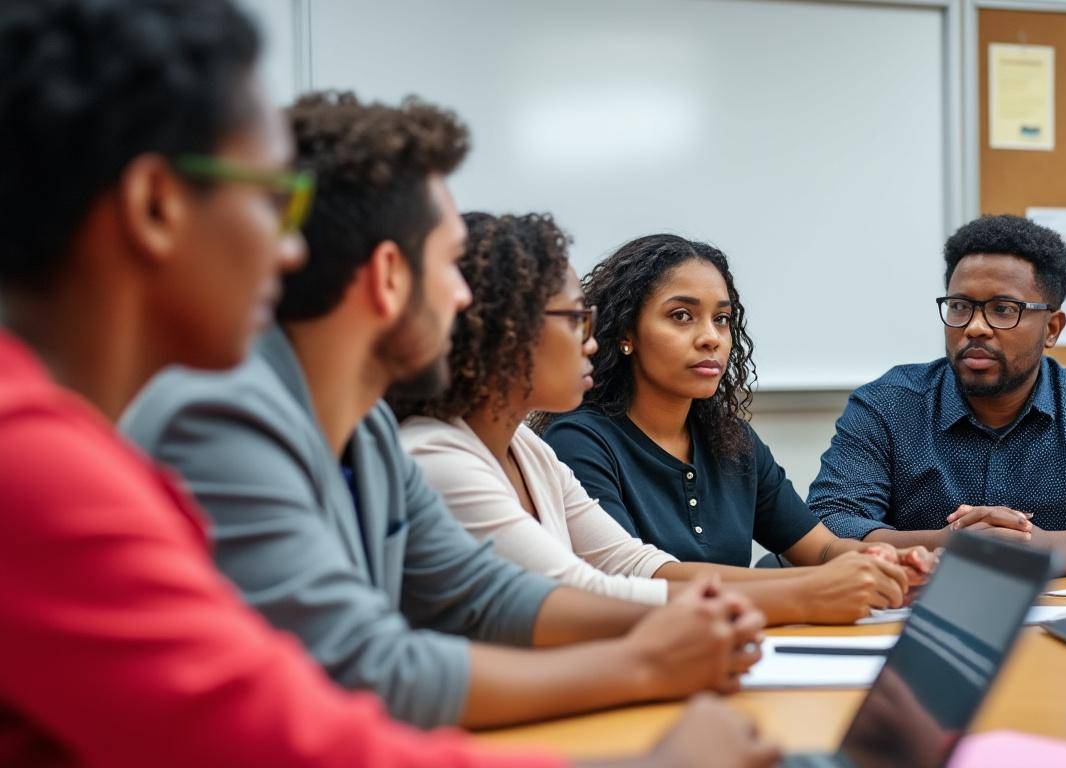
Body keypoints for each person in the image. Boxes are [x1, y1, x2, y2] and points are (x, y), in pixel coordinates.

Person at [0, 2, 777, 766]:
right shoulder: (64, 455)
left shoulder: (364, 427)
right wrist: (648, 695)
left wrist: (667, 634)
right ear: (156, 206)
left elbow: (479, 593)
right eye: (273, 202)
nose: (292, 251)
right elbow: (309, 715)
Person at [122, 91, 766, 730]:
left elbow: (488, 594)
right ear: (389, 276)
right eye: (451, 265)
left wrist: (693, 621)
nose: (465, 299)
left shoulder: (370, 432)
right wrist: (645, 665)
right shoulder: (219, 418)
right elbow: (366, 667)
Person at [392, 213, 929, 624]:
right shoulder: (442, 457)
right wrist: (807, 594)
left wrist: (873, 566)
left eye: (722, 319)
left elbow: (637, 567)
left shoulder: (529, 452)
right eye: (575, 318)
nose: (590, 339)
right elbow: (587, 592)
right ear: (504, 330)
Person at [539, 233, 936, 579]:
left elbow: (822, 549)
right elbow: (638, 579)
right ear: (627, 332)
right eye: (682, 316)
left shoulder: (731, 440)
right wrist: (815, 586)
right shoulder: (579, 440)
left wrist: (888, 559)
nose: (711, 338)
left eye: (722, 319)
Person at [807, 214, 1066, 575]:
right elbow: (828, 520)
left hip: (1060, 605)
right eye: (960, 306)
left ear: (1052, 329)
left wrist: (1035, 547)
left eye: (1003, 309)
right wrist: (949, 543)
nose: (975, 327)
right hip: (917, 603)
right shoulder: (887, 404)